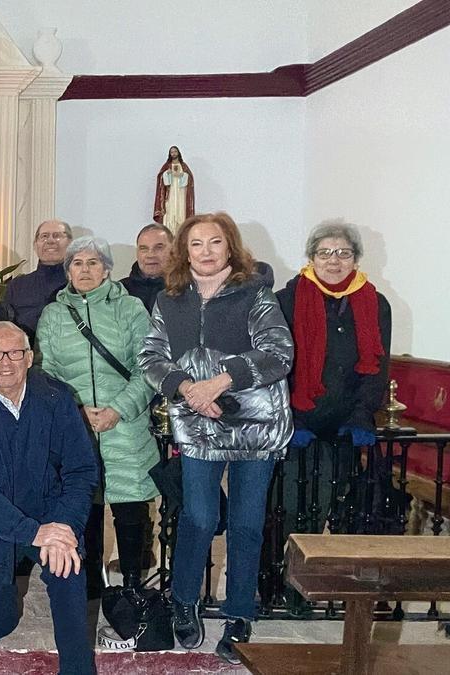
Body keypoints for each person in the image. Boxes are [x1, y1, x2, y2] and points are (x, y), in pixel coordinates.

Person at [139, 212, 293, 665]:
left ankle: (240, 613)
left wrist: (220, 382)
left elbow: (278, 354)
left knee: (246, 524)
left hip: (254, 426)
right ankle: (184, 601)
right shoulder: (170, 300)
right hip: (198, 424)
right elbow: (151, 356)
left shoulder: (256, 295)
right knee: (199, 518)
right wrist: (188, 389)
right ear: (184, 252)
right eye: (196, 244)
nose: (205, 252)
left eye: (215, 243)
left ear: (231, 248)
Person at [0, 321, 99, 675]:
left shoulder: (57, 398)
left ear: (30, 357)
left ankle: (77, 669)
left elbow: (81, 470)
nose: (6, 362)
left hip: (48, 513)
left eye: (15, 352)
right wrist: (30, 533)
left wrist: (62, 527)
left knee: (69, 566)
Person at [38, 237, 158, 598]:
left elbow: (148, 367)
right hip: (76, 428)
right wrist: (75, 411)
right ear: (68, 271)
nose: (85, 270)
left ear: (106, 269)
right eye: (77, 263)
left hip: (126, 424)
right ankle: (88, 583)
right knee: (83, 504)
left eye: (93, 263)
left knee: (130, 506)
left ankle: (134, 584)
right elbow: (45, 372)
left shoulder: (131, 308)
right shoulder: (54, 314)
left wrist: (117, 409)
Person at [275, 221, 391, 572]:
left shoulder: (375, 302)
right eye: (324, 253)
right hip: (298, 422)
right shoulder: (287, 299)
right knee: (290, 507)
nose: (334, 260)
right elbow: (276, 365)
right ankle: (277, 584)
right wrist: (291, 418)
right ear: (311, 258)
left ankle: (319, 582)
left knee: (334, 504)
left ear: (356, 259)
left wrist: (361, 414)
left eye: (343, 253)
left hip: (345, 423)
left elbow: (376, 366)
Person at [0, 219, 72, 340]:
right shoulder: (17, 286)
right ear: (35, 245)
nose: (50, 241)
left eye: (57, 236)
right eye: (44, 236)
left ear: (70, 244)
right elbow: (6, 330)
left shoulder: (79, 285)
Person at [120, 223, 173, 312]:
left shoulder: (186, 289)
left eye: (158, 248)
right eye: (144, 249)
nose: (150, 255)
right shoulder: (120, 291)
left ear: (173, 250)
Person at [152, 146, 194, 233]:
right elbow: (161, 178)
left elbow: (189, 178)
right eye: (172, 152)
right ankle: (169, 231)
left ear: (178, 152)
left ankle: (180, 232)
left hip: (181, 192)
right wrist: (167, 173)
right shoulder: (167, 166)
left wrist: (183, 175)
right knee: (170, 211)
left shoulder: (183, 166)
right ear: (170, 154)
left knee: (180, 210)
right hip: (170, 192)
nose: (174, 153)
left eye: (175, 151)